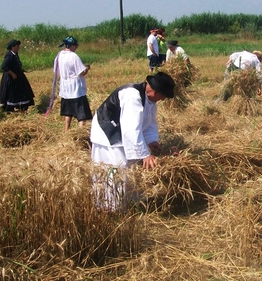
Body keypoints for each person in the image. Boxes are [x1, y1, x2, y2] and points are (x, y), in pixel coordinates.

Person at [90, 72, 176, 211]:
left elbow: (149, 124)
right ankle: (109, 209)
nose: (162, 99)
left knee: (129, 171)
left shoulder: (150, 101)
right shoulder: (132, 95)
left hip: (122, 134)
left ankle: (128, 205)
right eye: (162, 96)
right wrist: (145, 154)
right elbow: (131, 128)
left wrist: (152, 141)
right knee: (115, 171)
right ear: (154, 91)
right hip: (108, 134)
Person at [50, 36, 92, 131]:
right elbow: (81, 72)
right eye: (75, 46)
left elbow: (56, 71)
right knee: (82, 114)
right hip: (76, 89)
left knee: (68, 112)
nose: (76, 48)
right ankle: (81, 132)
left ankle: (66, 130)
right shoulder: (74, 56)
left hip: (65, 89)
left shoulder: (59, 56)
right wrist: (87, 69)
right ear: (72, 46)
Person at [0, 39, 35, 112]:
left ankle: (22, 107)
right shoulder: (9, 55)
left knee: (22, 91)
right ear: (13, 47)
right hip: (11, 78)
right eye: (17, 46)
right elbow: (4, 66)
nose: (19, 47)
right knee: (12, 93)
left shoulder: (15, 55)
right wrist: (12, 73)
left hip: (18, 77)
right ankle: (9, 109)